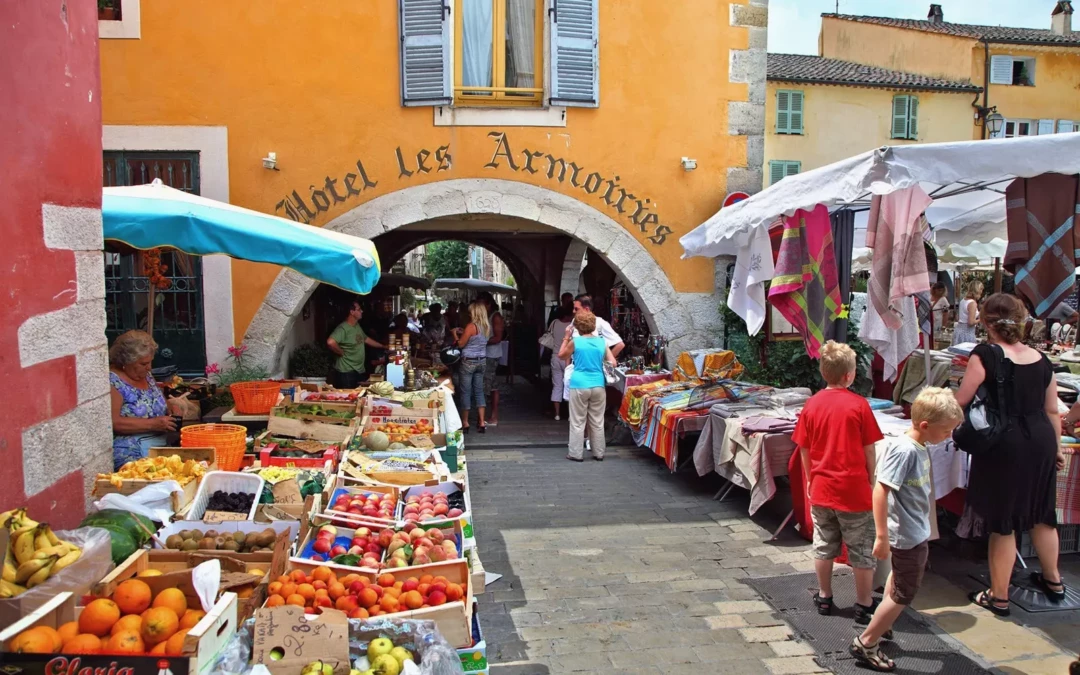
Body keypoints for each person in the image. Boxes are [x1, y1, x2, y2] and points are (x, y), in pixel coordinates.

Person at [955, 293, 1067, 615]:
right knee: (1042, 513)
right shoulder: (1041, 359)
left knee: (1003, 521)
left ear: (986, 321)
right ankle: (1053, 580)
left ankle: (999, 596)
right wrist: (1058, 447)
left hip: (1004, 443)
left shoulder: (985, 355)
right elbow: (1052, 410)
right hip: (1041, 440)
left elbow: (961, 401)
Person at [850, 388, 963, 671]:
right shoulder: (905, 450)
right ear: (925, 425)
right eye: (946, 431)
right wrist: (881, 536)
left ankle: (882, 623)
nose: (949, 435)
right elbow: (880, 490)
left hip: (914, 532)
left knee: (899, 581)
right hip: (907, 535)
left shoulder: (918, 446)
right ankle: (866, 642)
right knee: (904, 592)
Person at [792, 341, 884, 622]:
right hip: (854, 490)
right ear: (850, 375)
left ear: (823, 372)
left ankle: (824, 595)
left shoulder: (812, 404)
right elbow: (869, 449)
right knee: (861, 549)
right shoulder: (859, 405)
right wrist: (871, 479)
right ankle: (864, 603)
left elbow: (804, 448)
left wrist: (810, 478)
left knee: (823, 544)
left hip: (822, 487)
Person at [109, 330, 176, 470]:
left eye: (150, 362)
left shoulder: (146, 375)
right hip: (131, 453)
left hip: (159, 446)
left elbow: (157, 401)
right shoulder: (113, 381)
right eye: (143, 363)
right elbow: (114, 423)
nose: (149, 367)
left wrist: (171, 407)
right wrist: (152, 424)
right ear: (126, 362)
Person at [558, 310, 616, 462]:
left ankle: (576, 453)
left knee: (577, 421)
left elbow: (561, 355)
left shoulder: (575, 342)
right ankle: (599, 453)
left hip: (579, 384)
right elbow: (613, 363)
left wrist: (566, 337)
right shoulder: (602, 342)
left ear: (577, 326)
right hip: (598, 384)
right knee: (597, 421)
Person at [561, 294, 625, 402]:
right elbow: (568, 350)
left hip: (595, 375)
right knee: (576, 407)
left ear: (586, 309)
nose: (573, 311)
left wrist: (603, 362)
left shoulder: (600, 323)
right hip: (577, 374)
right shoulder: (574, 322)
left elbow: (620, 344)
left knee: (592, 406)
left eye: (576, 309)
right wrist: (567, 368)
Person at [450, 301, 491, 433]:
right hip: (481, 361)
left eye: (470, 312)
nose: (469, 314)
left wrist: (454, 333)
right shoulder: (486, 327)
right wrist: (464, 332)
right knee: (479, 391)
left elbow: (461, 344)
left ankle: (465, 422)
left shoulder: (471, 326)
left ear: (475, 313)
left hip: (468, 362)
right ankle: (482, 422)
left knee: (465, 391)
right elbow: (476, 339)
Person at [327, 300, 387, 389]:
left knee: (358, 394)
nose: (361, 311)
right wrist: (340, 352)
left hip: (358, 370)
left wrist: (382, 346)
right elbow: (330, 342)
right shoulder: (343, 328)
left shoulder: (356, 326)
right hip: (346, 372)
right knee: (349, 396)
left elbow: (366, 339)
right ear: (352, 312)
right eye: (359, 309)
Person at [478, 292, 505, 426]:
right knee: (492, 385)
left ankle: (488, 417)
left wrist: (482, 342)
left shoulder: (495, 317)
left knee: (486, 386)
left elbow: (498, 337)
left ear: (488, 304)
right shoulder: (485, 316)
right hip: (486, 354)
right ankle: (492, 416)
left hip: (491, 355)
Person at [546, 305, 574, 421]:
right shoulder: (572, 326)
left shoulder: (554, 323)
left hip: (555, 357)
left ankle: (557, 414)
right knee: (570, 386)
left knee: (557, 386)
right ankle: (570, 415)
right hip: (568, 357)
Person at [952, 281, 983, 345]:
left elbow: (959, 317)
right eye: (981, 289)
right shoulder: (972, 303)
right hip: (967, 332)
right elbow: (970, 322)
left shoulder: (963, 300)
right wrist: (981, 319)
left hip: (959, 330)